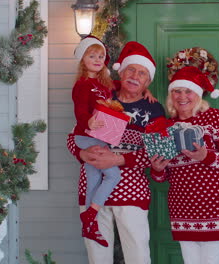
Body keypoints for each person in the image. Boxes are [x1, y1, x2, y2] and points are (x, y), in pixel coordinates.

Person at [67, 41, 165, 264]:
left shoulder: (154, 109)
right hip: (93, 187)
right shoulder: (102, 93)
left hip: (131, 192)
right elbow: (73, 136)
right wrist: (82, 155)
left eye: (142, 73)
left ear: (148, 81)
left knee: (138, 255)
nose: (135, 76)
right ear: (121, 71)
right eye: (131, 69)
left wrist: (119, 158)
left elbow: (156, 152)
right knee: (97, 256)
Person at [149, 66, 219, 264]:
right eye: (177, 91)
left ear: (198, 95)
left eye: (188, 91)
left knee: (213, 260)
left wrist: (205, 156)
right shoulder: (165, 127)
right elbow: (163, 176)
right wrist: (157, 169)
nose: (182, 96)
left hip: (216, 205)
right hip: (182, 207)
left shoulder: (215, 118)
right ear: (170, 95)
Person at [71, 36, 122, 248]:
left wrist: (144, 90)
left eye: (101, 56)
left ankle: (89, 227)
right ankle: (91, 213)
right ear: (83, 60)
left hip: (102, 137)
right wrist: (88, 121)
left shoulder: (104, 83)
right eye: (92, 56)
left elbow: (120, 87)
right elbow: (80, 110)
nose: (97, 59)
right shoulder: (82, 85)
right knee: (112, 174)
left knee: (93, 178)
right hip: (87, 136)